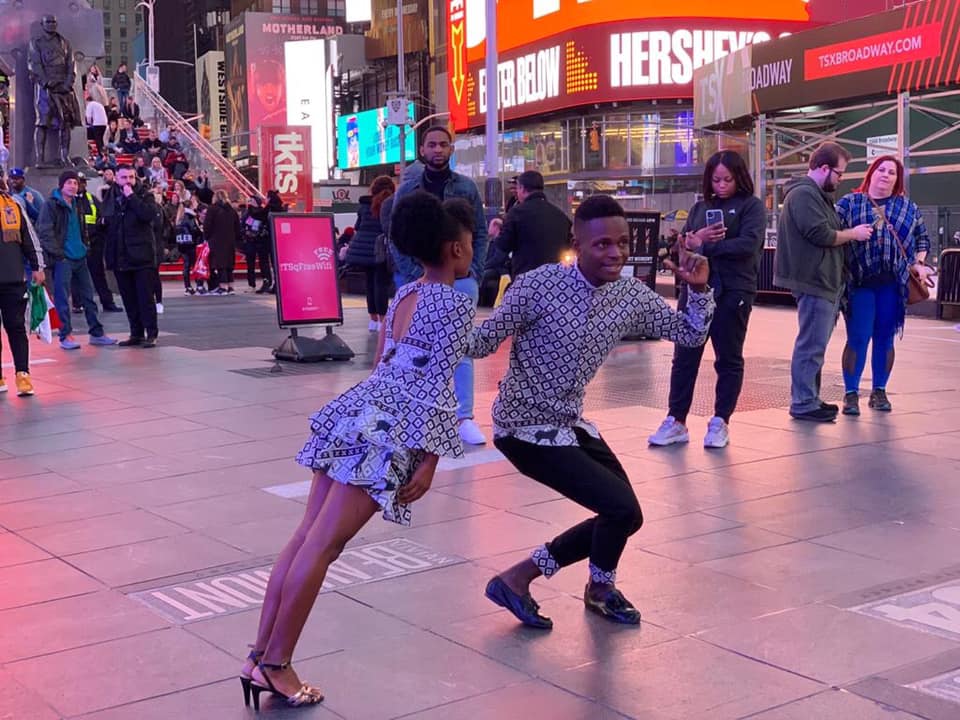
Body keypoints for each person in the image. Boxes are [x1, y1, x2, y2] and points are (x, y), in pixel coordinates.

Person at [239, 192, 476, 709]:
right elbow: (435, 385)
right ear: (455, 248)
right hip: (389, 431)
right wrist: (430, 459)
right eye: (470, 242)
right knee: (324, 546)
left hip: (357, 413)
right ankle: (276, 664)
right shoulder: (455, 303)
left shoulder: (406, 292)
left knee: (307, 537)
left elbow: (388, 365)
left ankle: (259, 655)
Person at [467, 195, 714, 629]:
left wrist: (697, 290)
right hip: (524, 427)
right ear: (576, 243)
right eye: (601, 244)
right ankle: (523, 577)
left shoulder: (630, 294)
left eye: (622, 242)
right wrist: (432, 320)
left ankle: (594, 588)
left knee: (626, 513)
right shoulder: (536, 286)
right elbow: (484, 342)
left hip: (570, 422)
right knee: (618, 508)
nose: (615, 253)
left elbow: (689, 334)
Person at [648, 150, 765, 448]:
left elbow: (748, 245)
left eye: (728, 179)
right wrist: (690, 239)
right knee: (685, 355)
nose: (721, 185)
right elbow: (684, 246)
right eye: (716, 179)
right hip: (695, 289)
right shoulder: (700, 207)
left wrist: (708, 245)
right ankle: (676, 419)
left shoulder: (751, 206)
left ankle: (720, 420)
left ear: (740, 178)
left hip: (734, 290)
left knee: (728, 357)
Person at [391, 126, 489, 446]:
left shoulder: (466, 187)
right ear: (422, 149)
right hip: (419, 280)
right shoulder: (408, 189)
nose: (437, 150)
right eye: (432, 144)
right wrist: (410, 274)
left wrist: (473, 270)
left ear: (451, 149)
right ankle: (412, 411)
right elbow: (396, 234)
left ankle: (463, 416)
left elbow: (481, 232)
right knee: (412, 348)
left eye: (443, 145)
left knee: (460, 349)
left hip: (461, 281)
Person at [775, 142, 874, 422]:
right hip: (815, 280)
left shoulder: (815, 195)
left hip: (823, 279)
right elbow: (822, 234)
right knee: (811, 344)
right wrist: (853, 234)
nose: (841, 179)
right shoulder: (805, 195)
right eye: (839, 174)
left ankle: (810, 398)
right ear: (823, 168)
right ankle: (804, 402)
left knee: (815, 344)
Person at [836, 155, 934, 415]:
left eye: (892, 172)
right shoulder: (850, 203)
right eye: (881, 170)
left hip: (893, 286)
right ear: (871, 173)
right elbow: (833, 233)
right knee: (858, 337)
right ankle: (851, 393)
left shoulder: (907, 207)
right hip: (859, 283)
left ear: (897, 179)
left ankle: (879, 391)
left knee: (885, 338)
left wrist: (919, 263)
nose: (886, 175)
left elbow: (922, 239)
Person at [37, 170, 117, 350]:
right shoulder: (51, 205)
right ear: (61, 185)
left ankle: (96, 333)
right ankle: (66, 335)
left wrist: (85, 246)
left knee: (88, 297)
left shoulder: (78, 203)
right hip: (63, 259)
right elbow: (45, 232)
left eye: (75, 183)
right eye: (69, 183)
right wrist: (59, 254)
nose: (73, 186)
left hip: (80, 256)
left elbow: (84, 228)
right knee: (63, 298)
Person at [103, 164, 160, 348]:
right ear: (116, 178)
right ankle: (136, 333)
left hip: (142, 256)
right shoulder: (110, 196)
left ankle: (151, 333)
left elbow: (148, 214)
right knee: (129, 299)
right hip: (121, 256)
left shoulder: (144, 194)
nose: (128, 181)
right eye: (124, 177)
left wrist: (132, 197)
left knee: (145, 298)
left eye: (131, 177)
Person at [0, 168, 45, 397]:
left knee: (16, 328)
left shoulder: (14, 206)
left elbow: (30, 238)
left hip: (12, 279)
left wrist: (38, 266)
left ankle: (22, 374)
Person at [496, 170, 572, 277]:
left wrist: (495, 235)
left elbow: (503, 246)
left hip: (525, 280)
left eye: (517, 188)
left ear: (522, 188)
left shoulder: (516, 213)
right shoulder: (561, 216)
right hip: (556, 280)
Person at [345, 176, 395, 332]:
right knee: (381, 284)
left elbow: (358, 226)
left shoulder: (364, 206)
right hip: (381, 250)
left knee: (369, 284)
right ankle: (383, 320)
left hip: (364, 250)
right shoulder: (392, 204)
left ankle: (373, 320)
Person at [75, 172, 122, 313]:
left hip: (93, 243)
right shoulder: (69, 200)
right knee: (75, 276)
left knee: (98, 275)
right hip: (76, 244)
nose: (82, 185)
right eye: (79, 182)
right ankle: (78, 304)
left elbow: (102, 218)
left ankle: (107, 303)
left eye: (83, 182)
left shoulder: (92, 199)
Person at [204, 190, 240, 295]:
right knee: (229, 263)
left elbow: (207, 226)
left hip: (216, 240)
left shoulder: (212, 209)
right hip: (230, 240)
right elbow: (237, 226)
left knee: (220, 264)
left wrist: (207, 237)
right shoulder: (232, 210)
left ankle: (223, 287)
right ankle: (231, 287)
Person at [480, 216, 510, 307]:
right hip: (491, 266)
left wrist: (484, 266)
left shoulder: (500, 241)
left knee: (483, 274)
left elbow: (497, 259)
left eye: (490, 225)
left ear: (496, 227)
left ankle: (480, 301)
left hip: (498, 269)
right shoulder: (492, 241)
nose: (488, 228)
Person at [175, 201, 202, 295]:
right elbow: (194, 230)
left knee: (186, 266)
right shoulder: (190, 217)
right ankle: (199, 285)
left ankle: (188, 287)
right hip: (191, 244)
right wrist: (200, 231)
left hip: (182, 244)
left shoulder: (179, 218)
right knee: (194, 265)